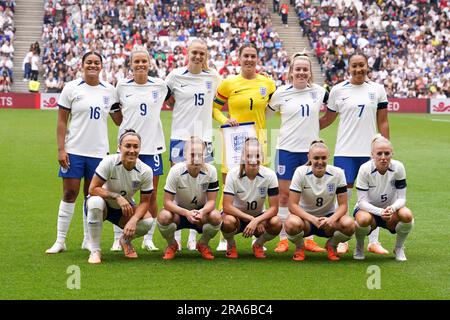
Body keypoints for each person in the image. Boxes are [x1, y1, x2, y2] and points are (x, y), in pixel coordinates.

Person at [46, 52, 121, 254]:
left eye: (96, 63)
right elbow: (62, 121)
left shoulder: (110, 90)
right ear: (82, 65)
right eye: (89, 62)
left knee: (92, 196)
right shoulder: (71, 88)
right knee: (69, 193)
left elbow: (119, 120)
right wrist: (61, 149)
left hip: (99, 153)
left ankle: (88, 239)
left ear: (102, 66)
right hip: (74, 150)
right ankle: (60, 241)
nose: (93, 65)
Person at [320, 52, 390, 255]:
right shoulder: (338, 90)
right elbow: (327, 119)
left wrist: (385, 146)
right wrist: (305, 126)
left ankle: (373, 241)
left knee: (372, 194)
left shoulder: (377, 89)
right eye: (355, 66)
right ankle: (342, 237)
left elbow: (383, 120)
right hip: (345, 151)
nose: (359, 69)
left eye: (362, 65)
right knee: (344, 195)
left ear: (368, 66)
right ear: (348, 68)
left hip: (371, 152)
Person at [213, 43, 276, 251]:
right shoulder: (228, 83)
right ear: (239, 58)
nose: (249, 59)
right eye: (246, 56)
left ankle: (255, 231)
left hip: (259, 143)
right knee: (228, 186)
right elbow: (214, 108)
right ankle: (225, 236)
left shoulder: (268, 83)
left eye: (253, 56)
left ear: (257, 59)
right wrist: (225, 119)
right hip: (233, 142)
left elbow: (275, 106)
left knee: (259, 187)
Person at [110, 46, 170, 252]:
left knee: (151, 195)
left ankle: (148, 238)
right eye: (137, 62)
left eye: (144, 61)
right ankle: (118, 236)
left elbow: (173, 99)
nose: (141, 65)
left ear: (149, 63)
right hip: (127, 147)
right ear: (131, 65)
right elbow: (115, 111)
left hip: (152, 147)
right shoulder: (122, 86)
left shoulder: (160, 85)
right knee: (121, 192)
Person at [267, 52, 328, 254]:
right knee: (284, 195)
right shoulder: (281, 93)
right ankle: (283, 238)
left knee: (308, 195)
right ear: (291, 72)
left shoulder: (319, 92)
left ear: (310, 72)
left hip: (310, 152)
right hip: (286, 149)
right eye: (297, 69)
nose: (301, 72)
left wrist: (318, 127)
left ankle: (308, 238)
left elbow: (335, 109)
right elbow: (265, 114)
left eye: (305, 69)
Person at [165, 39, 221, 251]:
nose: (198, 56)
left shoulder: (213, 77)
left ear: (206, 56)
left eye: (202, 53)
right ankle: (177, 233)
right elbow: (169, 100)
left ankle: (193, 236)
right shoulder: (175, 76)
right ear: (187, 53)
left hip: (205, 138)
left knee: (202, 187)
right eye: (194, 52)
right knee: (180, 189)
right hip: (180, 137)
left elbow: (220, 100)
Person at [85, 130, 155, 264]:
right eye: (127, 146)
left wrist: (134, 220)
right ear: (119, 147)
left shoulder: (146, 171)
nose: (132, 150)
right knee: (95, 203)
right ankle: (95, 250)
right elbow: (93, 189)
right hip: (103, 205)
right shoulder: (109, 161)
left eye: (136, 146)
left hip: (123, 210)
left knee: (147, 222)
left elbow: (145, 202)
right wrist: (116, 196)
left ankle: (125, 240)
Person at [285, 140, 355, 261]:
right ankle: (300, 247)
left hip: (329, 220)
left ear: (328, 157)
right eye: (316, 158)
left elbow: (343, 205)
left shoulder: (338, 173)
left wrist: (331, 219)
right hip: (306, 220)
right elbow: (292, 205)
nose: (320, 162)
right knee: (291, 224)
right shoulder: (300, 172)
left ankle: (332, 245)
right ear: (309, 157)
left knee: (350, 224)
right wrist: (313, 219)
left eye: (323, 158)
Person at [157, 137, 222, 260]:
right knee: (164, 216)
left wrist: (202, 212)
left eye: (200, 154)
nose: (196, 158)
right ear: (185, 155)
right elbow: (167, 202)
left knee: (216, 216)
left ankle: (203, 243)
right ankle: (172, 244)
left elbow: (212, 201)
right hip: (179, 213)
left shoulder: (211, 171)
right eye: (192, 154)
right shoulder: (175, 171)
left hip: (200, 214)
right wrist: (186, 213)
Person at [353, 135, 414, 261]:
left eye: (387, 153)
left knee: (407, 215)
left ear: (392, 153)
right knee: (363, 219)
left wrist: (392, 208)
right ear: (372, 155)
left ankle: (399, 248)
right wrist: (380, 212)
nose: (383, 157)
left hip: (391, 211)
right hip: (369, 212)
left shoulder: (398, 167)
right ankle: (359, 246)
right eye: (379, 153)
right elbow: (362, 202)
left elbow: (402, 198)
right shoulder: (365, 169)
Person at [221, 137, 281, 259]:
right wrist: (252, 219)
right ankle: (231, 244)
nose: (253, 160)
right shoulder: (232, 174)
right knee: (227, 222)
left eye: (257, 156)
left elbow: (274, 208)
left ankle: (258, 244)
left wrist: (257, 220)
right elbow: (226, 206)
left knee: (277, 223)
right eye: (249, 156)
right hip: (237, 218)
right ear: (243, 157)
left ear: (262, 157)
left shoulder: (270, 175)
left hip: (259, 218)